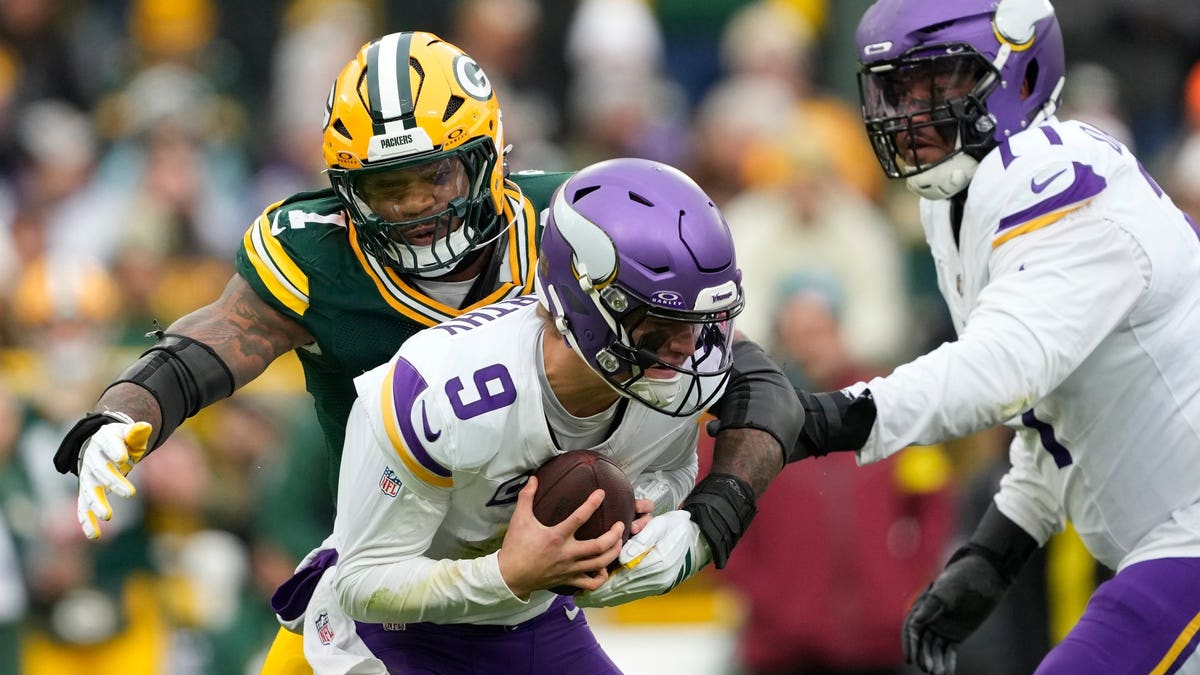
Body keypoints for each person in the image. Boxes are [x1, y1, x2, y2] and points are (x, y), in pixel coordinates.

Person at [51, 31, 798, 674]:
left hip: (522, 594)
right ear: (344, 190)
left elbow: (744, 373)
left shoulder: (569, 226)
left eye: (433, 174)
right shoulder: (318, 252)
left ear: (486, 156)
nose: (412, 205)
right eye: (385, 185)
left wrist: (708, 518)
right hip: (385, 579)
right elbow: (219, 338)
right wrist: (124, 408)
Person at [787, 1, 1200, 673]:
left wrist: (828, 417)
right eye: (895, 88)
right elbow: (1057, 415)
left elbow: (1000, 371)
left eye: (937, 82)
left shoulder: (1053, 175)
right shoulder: (956, 198)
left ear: (1022, 73)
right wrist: (995, 549)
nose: (908, 112)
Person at [296, 156, 742, 673]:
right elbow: (362, 584)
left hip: (530, 619)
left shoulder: (668, 379)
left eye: (701, 321)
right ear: (587, 302)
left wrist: (645, 503)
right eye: (664, 320)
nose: (686, 349)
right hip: (391, 632)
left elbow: (674, 467)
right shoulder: (438, 392)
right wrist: (508, 572)